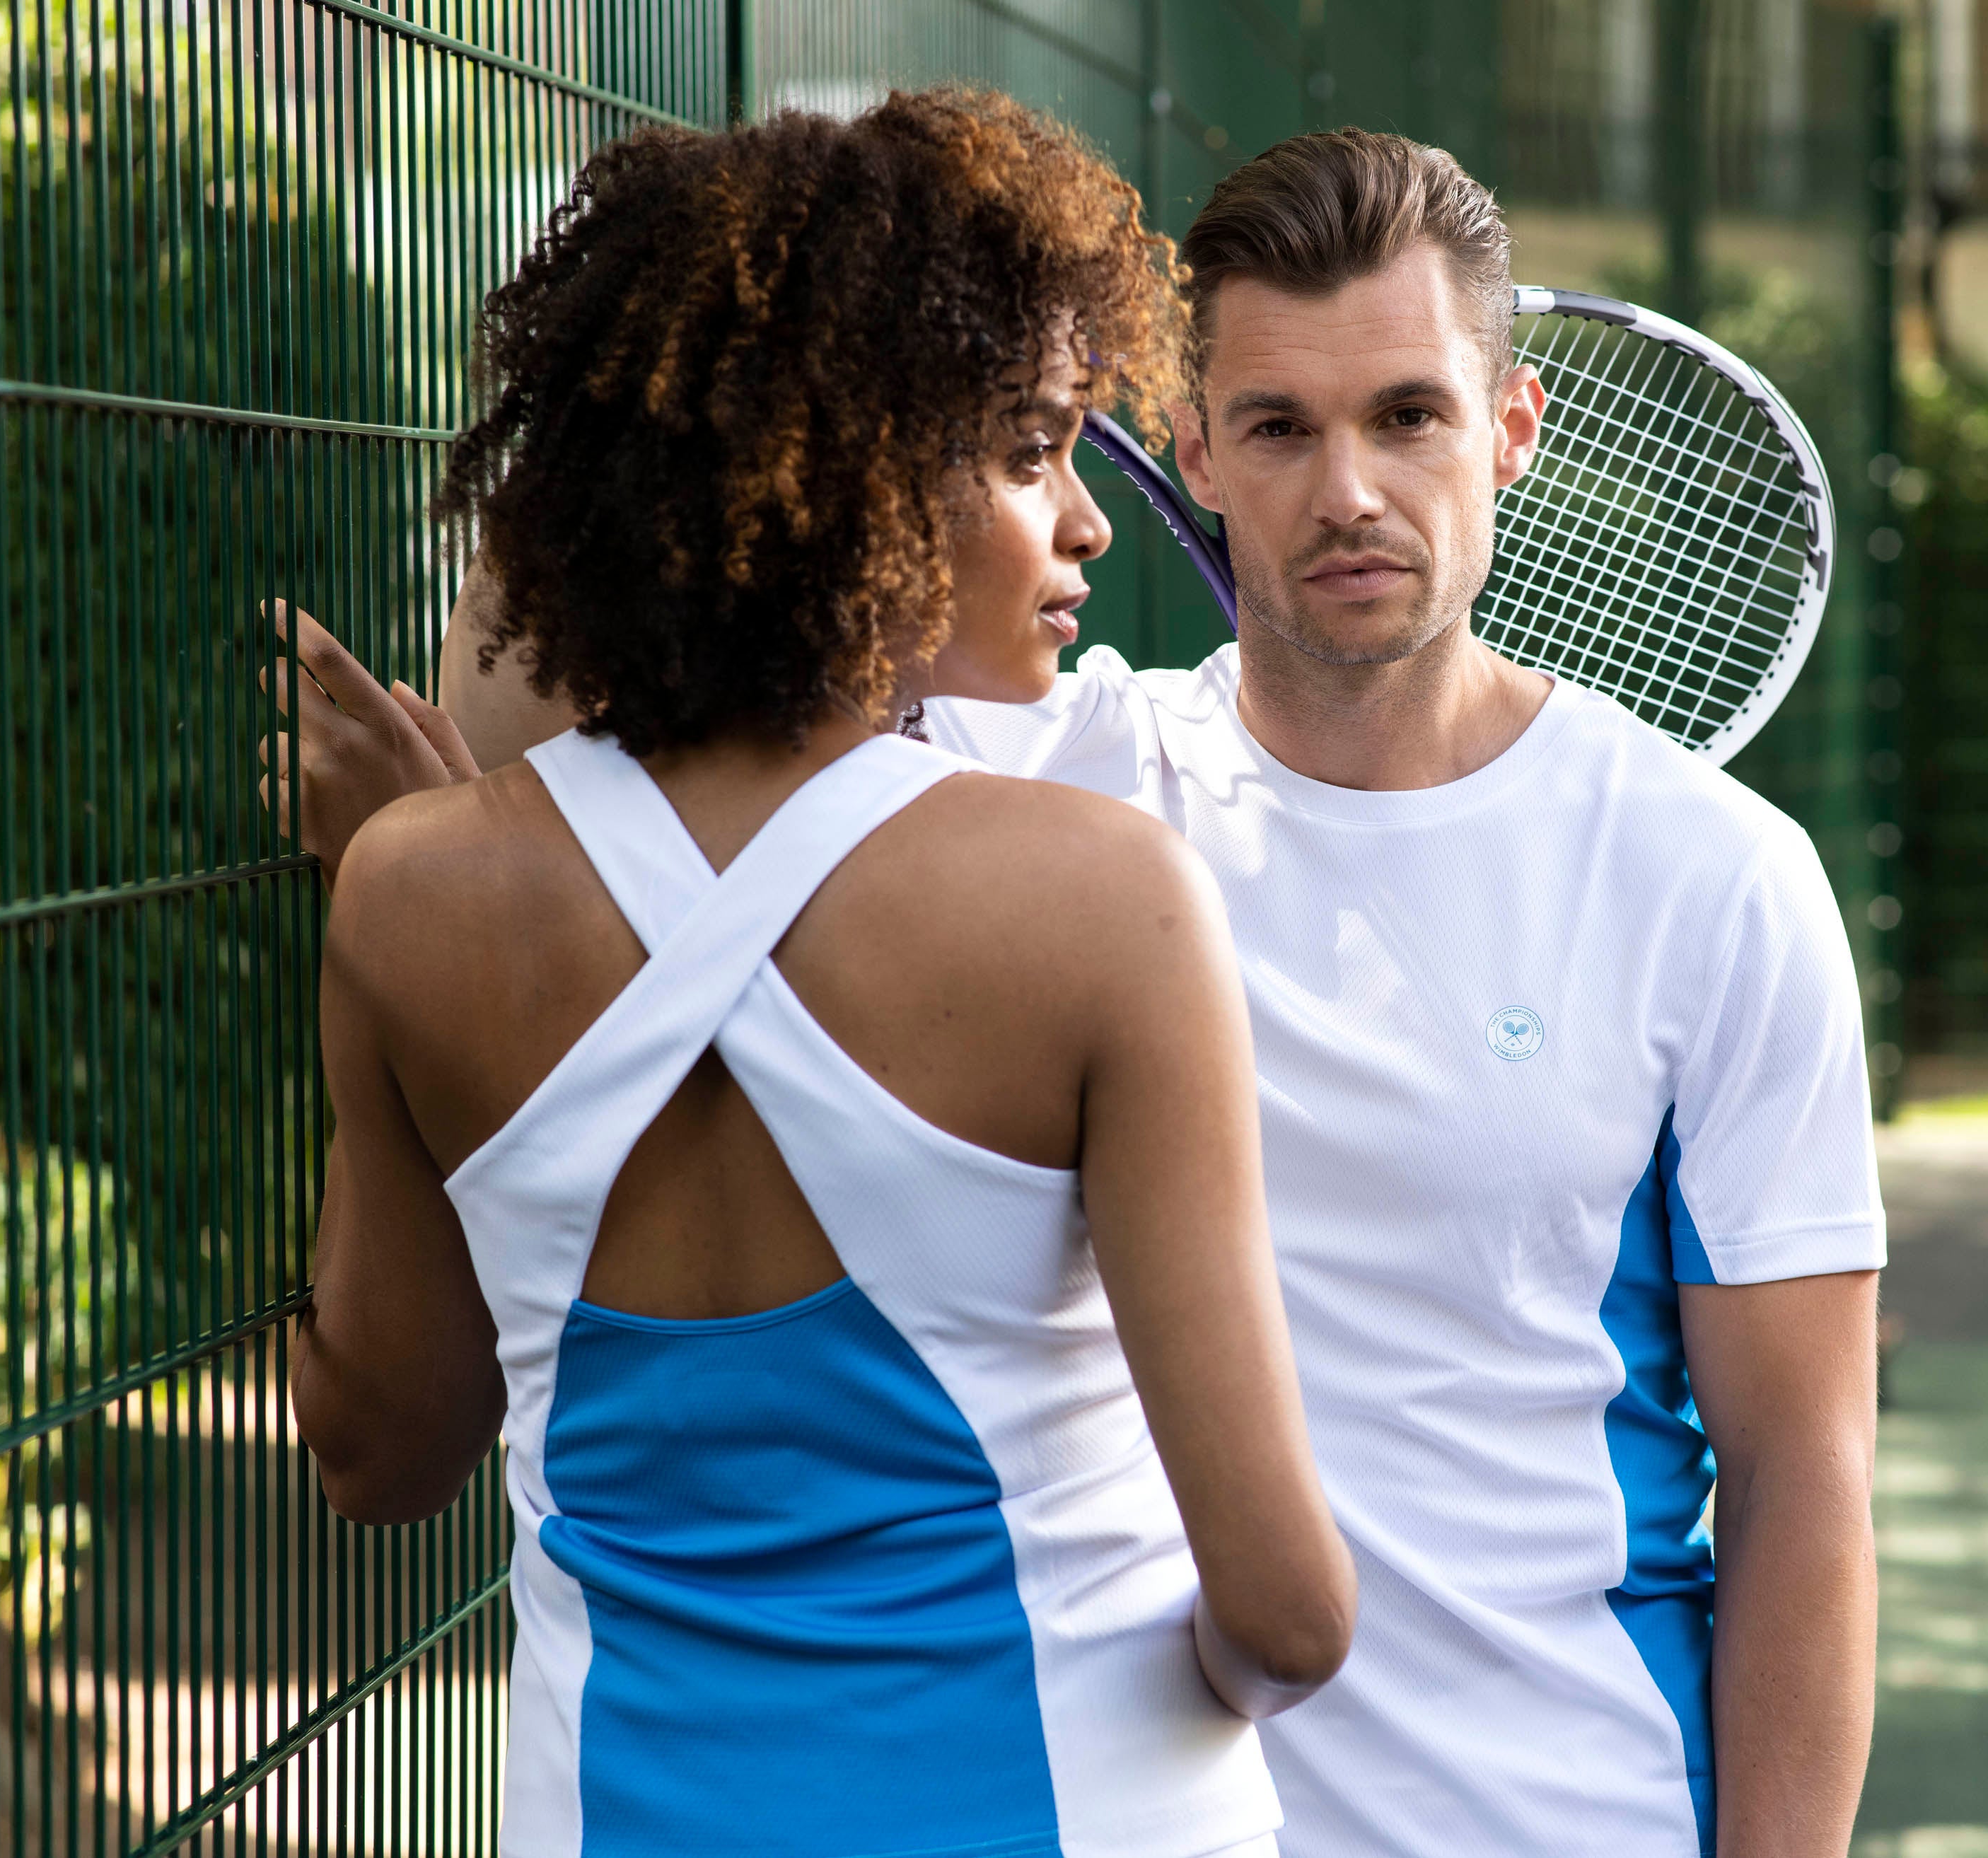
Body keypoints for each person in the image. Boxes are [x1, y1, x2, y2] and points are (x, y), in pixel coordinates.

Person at [281, 129, 1881, 1858]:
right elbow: (587, 650)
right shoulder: (1047, 778)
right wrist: (737, 317)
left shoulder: (1718, 880)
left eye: (1407, 415)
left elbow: (1801, 1493)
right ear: (1190, 450)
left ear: (1507, 429)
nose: (1346, 489)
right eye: (1276, 426)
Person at [283, 91, 1354, 1858]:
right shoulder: (1104, 907)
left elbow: (380, 1454)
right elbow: (1290, 1615)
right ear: (850, 469)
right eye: (1029, 451)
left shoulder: (409, 898)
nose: (1085, 525)